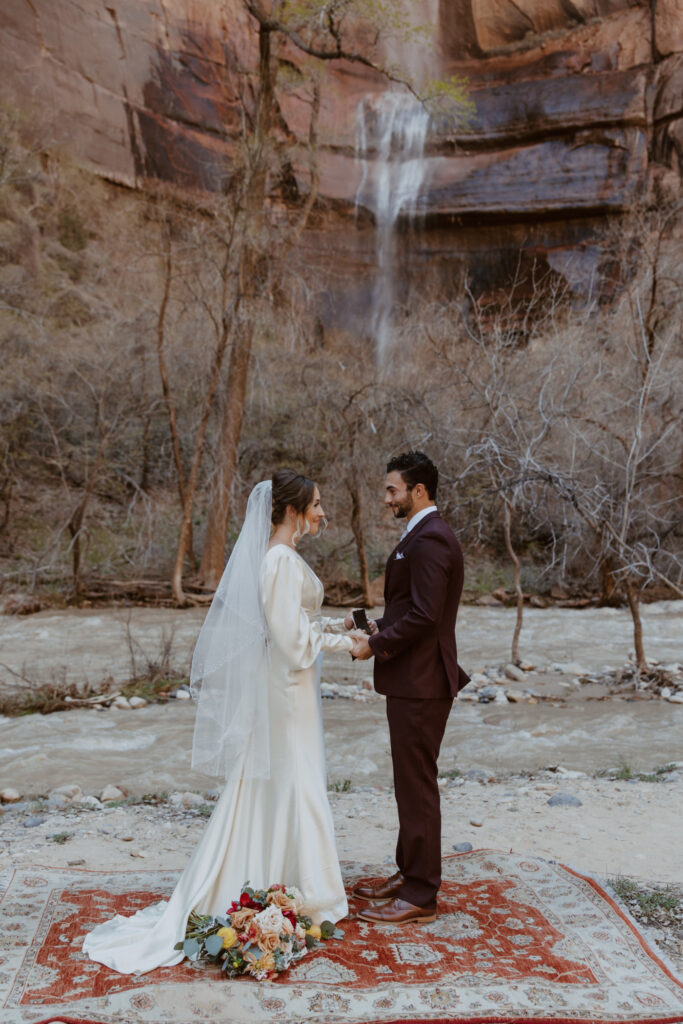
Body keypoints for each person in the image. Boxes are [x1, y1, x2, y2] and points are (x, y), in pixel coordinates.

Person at [83, 470, 357, 974]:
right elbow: (291, 642)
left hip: (290, 687)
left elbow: (292, 626)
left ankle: (294, 879)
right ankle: (310, 891)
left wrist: (339, 625)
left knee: (291, 781)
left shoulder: (281, 558)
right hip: (285, 692)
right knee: (297, 781)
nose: (323, 512)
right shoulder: (278, 560)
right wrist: (348, 644)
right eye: (317, 504)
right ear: (293, 510)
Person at [348, 451, 469, 925]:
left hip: (422, 682)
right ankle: (409, 872)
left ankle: (422, 893)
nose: (386, 498)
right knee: (409, 781)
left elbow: (426, 615)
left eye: (392, 490)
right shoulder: (419, 535)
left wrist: (372, 649)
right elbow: (410, 606)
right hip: (412, 678)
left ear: (419, 491)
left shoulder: (432, 538)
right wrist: (376, 626)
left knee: (417, 785)